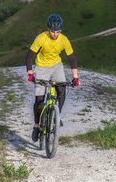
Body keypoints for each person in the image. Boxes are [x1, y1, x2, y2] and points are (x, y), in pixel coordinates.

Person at [26, 14, 79, 142]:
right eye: (53, 31)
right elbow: (29, 56)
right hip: (42, 67)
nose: (55, 34)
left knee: (61, 89)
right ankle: (37, 126)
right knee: (39, 99)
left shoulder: (64, 40)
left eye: (58, 32)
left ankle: (56, 116)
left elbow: (71, 58)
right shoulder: (41, 38)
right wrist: (30, 73)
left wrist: (75, 77)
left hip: (56, 66)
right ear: (48, 29)